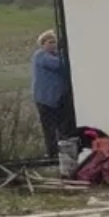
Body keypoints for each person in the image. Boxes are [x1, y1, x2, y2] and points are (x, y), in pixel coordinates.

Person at [31, 30, 75, 158]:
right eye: (49, 42)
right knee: (49, 128)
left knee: (62, 127)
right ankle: (52, 152)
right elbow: (59, 65)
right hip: (45, 99)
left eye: (54, 42)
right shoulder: (41, 56)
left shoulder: (56, 55)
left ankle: (63, 151)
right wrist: (66, 52)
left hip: (58, 99)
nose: (53, 44)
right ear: (43, 44)